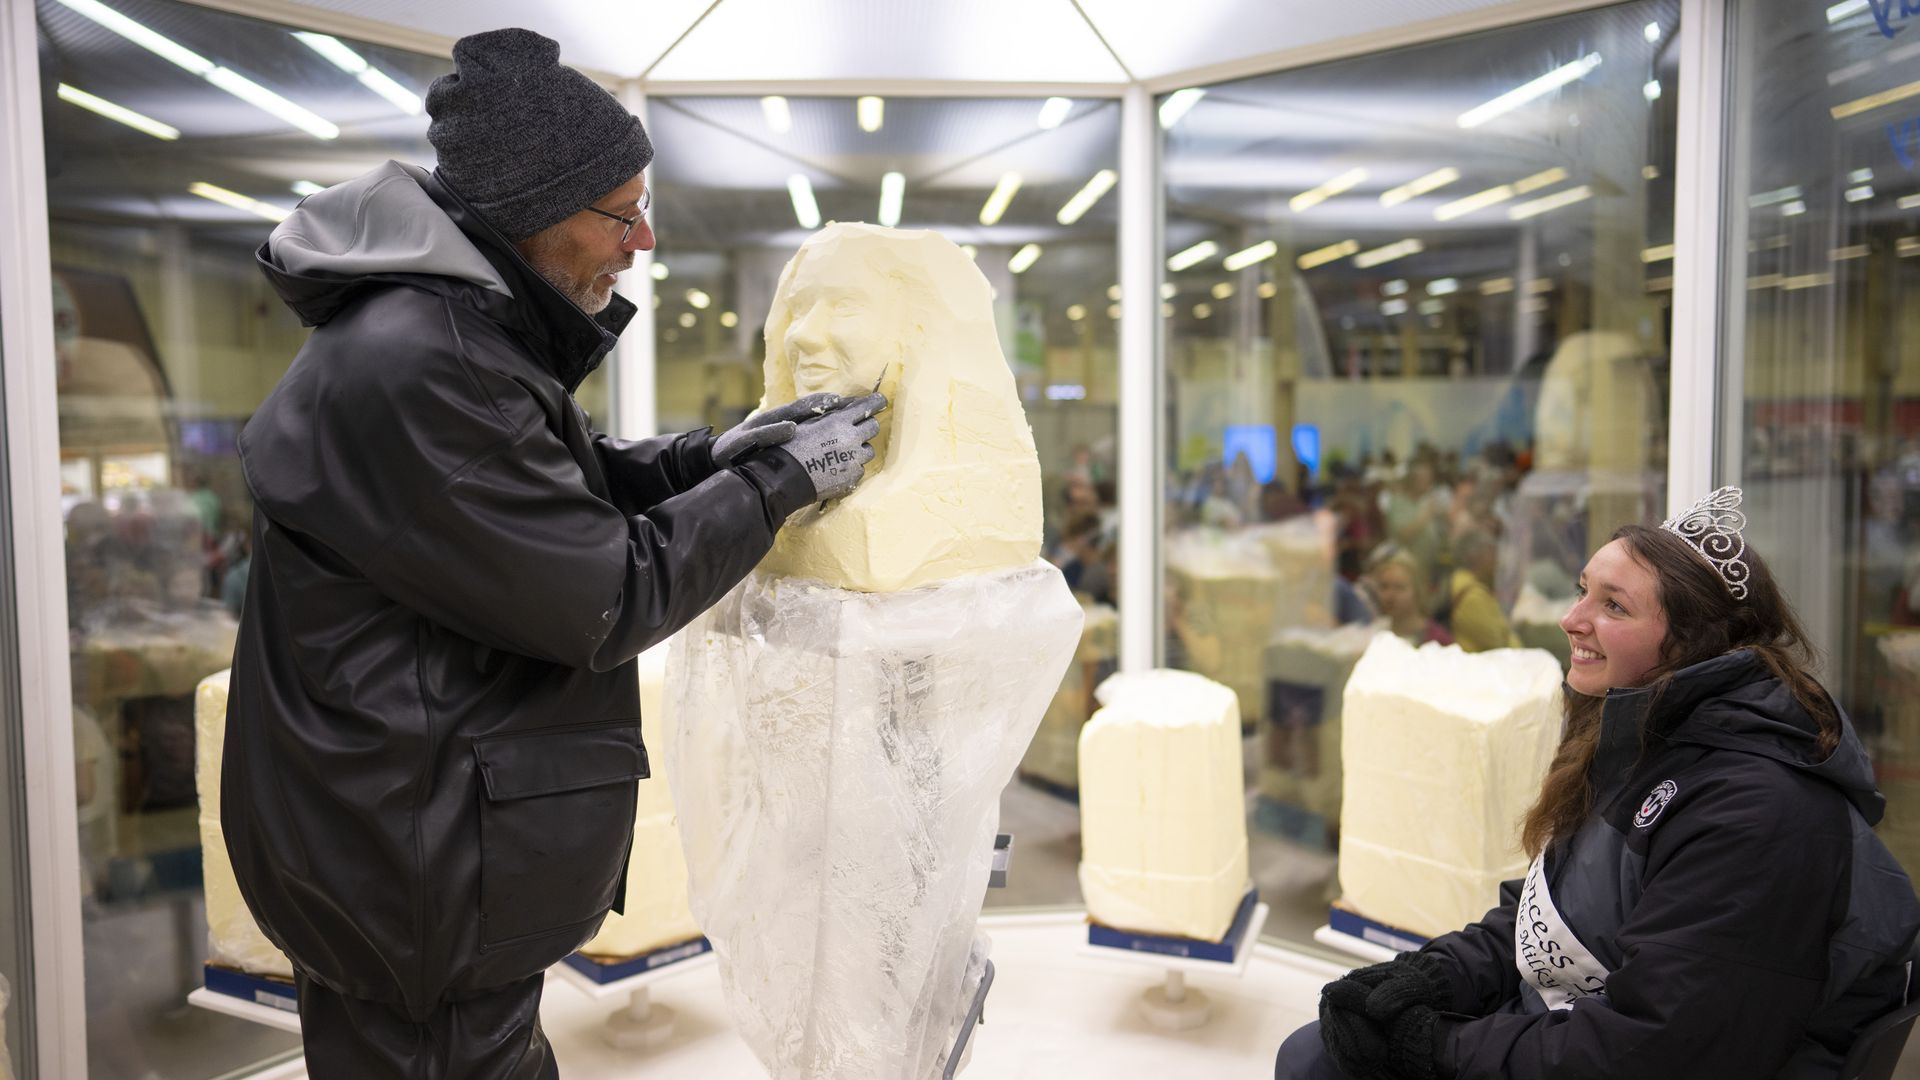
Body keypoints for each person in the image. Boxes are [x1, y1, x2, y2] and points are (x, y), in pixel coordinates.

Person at [222, 29, 884, 1079]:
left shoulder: (445, 331)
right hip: (414, 869)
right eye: (621, 213)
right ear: (532, 213)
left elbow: (531, 490)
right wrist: (776, 486)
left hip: (397, 844)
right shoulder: (423, 363)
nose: (645, 241)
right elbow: (605, 593)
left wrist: (709, 456)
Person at [1276, 488, 1920, 1079]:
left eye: (1613, 605)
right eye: (1583, 590)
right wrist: (1428, 980)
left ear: (1694, 644)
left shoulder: (1759, 811)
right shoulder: (1643, 738)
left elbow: (1651, 1050)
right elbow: (1550, 913)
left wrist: (1433, 1047)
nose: (1571, 619)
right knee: (1316, 1051)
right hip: (1595, 1028)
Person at [1444, 528, 1520, 653]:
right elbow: (1499, 645)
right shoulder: (1471, 596)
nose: (1497, 561)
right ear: (1475, 557)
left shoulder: (1470, 586)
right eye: (1492, 553)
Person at [1366, 549, 1452, 646]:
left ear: (1417, 590)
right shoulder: (1376, 634)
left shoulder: (1437, 639)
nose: (1390, 596)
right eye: (1384, 587)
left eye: (1399, 587)